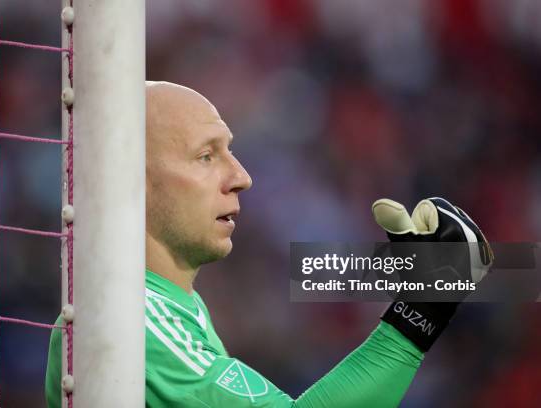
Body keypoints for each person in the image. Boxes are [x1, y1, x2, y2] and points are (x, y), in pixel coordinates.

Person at [45, 81, 490, 407]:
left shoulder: (172, 306)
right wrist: (423, 310)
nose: (241, 177)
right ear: (131, 181)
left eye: (229, 151)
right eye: (206, 156)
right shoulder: (129, 318)